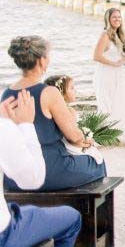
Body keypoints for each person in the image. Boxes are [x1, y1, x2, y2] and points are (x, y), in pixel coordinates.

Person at [2, 36, 106, 191]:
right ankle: (84, 212)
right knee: (97, 163)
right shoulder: (49, 92)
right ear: (42, 60)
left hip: (16, 174)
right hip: (51, 170)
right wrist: (84, 140)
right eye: (48, 55)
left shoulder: (6, 94)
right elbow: (73, 135)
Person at [0, 90, 82, 247]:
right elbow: (32, 179)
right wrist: (25, 125)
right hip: (4, 234)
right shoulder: (2, 129)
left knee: (27, 211)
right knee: (72, 218)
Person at [93, 8, 125, 147]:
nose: (117, 19)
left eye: (119, 17)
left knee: (119, 103)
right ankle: (101, 137)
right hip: (105, 75)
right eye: (114, 17)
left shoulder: (118, 36)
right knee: (106, 104)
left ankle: (114, 136)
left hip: (117, 75)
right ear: (108, 19)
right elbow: (96, 56)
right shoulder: (105, 35)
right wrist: (114, 64)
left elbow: (120, 57)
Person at [44, 75, 103, 164]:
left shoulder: (52, 111)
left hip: (59, 149)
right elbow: (73, 138)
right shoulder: (69, 111)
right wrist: (87, 140)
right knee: (98, 158)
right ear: (61, 93)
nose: (75, 91)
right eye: (72, 88)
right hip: (71, 149)